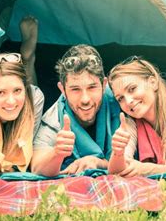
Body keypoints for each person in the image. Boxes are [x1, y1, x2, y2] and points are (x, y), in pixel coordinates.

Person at [31, 45, 121, 176]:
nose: (85, 99)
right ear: (62, 90)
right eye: (75, 89)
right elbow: (36, 167)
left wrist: (98, 163)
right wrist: (56, 153)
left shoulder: (121, 102)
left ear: (104, 85)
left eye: (92, 87)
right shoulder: (54, 119)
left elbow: (131, 163)